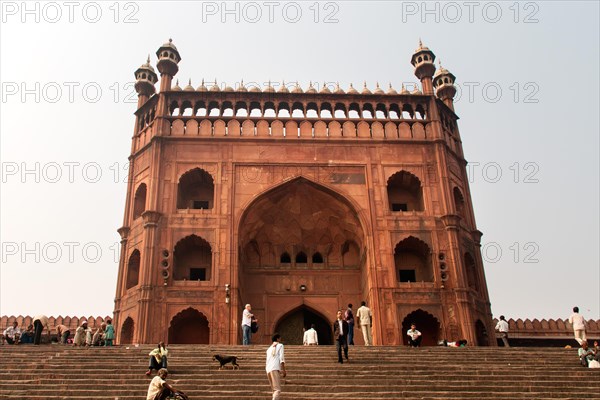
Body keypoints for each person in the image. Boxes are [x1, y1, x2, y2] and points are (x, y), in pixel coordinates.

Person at [265, 333, 286, 400]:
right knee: (277, 390)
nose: (281, 339)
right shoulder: (280, 345)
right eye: (280, 338)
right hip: (274, 368)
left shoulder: (268, 349)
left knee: (274, 390)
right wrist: (284, 370)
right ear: (277, 339)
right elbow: (281, 358)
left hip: (268, 369)